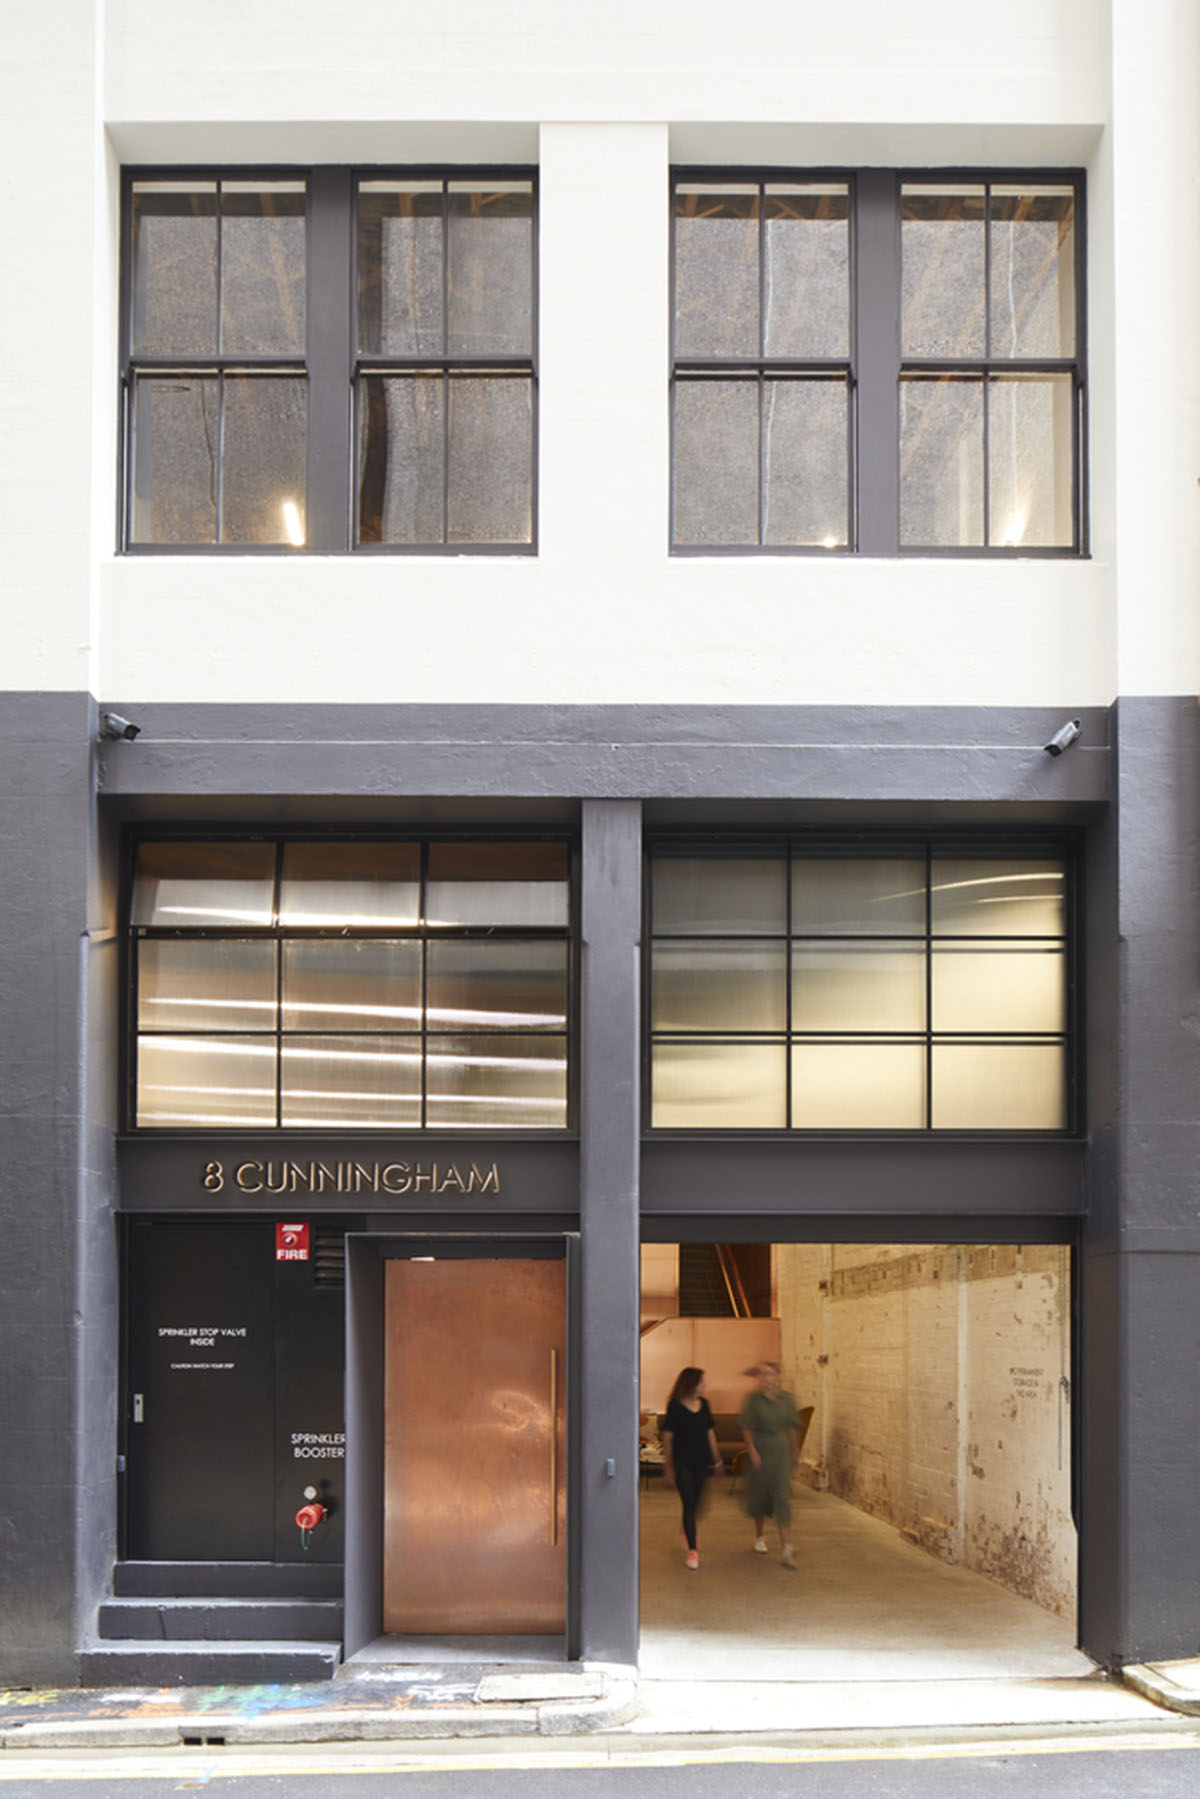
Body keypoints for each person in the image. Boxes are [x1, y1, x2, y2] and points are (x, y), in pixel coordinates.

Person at [739, 1360, 801, 1569]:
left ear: (778, 1377)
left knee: (782, 1494)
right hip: (762, 1447)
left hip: (781, 1448)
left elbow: (792, 1426)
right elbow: (747, 1427)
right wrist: (752, 1450)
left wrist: (795, 1451)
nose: (767, 1379)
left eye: (771, 1374)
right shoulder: (753, 1401)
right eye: (764, 1374)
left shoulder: (787, 1399)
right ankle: (759, 1536)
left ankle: (786, 1547)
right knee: (761, 1494)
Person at [661, 1366, 724, 1569]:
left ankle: (687, 1528)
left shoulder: (704, 1404)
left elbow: (710, 1433)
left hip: (701, 1461)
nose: (704, 1385)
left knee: (698, 1504)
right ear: (692, 1384)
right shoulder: (675, 1407)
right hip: (682, 1462)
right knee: (688, 1502)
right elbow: (668, 1437)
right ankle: (693, 1551)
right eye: (701, 1382)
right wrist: (668, 1466)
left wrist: (717, 1460)